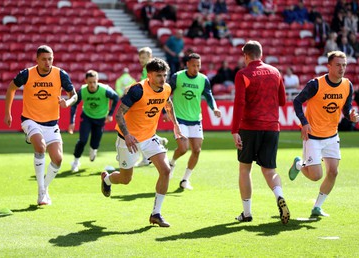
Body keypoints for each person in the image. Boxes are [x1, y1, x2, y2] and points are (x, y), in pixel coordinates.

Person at [100, 58, 185, 227]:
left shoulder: (166, 88)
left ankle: (156, 214)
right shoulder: (137, 90)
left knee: (166, 170)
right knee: (125, 179)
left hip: (149, 137)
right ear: (149, 75)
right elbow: (119, 115)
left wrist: (175, 125)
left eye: (164, 75)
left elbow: (168, 104)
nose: (163, 79)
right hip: (128, 140)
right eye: (159, 75)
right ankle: (107, 179)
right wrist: (128, 134)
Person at [4, 45, 77, 205]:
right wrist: (8, 112)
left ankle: (43, 189)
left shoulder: (60, 74)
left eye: (50, 58)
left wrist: (67, 103)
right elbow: (11, 88)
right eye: (44, 59)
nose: (47, 62)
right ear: (37, 60)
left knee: (58, 159)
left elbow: (74, 95)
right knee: (40, 147)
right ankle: (41, 191)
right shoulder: (27, 74)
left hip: (51, 124)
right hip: (30, 120)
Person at [288, 51, 359, 217]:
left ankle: (317, 207)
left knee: (333, 172)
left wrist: (351, 114)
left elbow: (346, 107)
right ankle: (299, 164)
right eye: (338, 65)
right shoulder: (316, 84)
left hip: (332, 136)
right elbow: (297, 101)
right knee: (316, 176)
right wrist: (304, 123)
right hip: (313, 136)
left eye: (344, 65)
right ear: (329, 66)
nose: (342, 68)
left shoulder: (347, 85)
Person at [231, 40, 290, 224]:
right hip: (272, 127)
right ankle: (279, 195)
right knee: (270, 170)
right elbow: (282, 100)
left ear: (246, 56)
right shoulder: (275, 72)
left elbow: (239, 103)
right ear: (261, 54)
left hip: (249, 127)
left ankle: (247, 213)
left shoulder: (243, 74)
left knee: (245, 168)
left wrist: (234, 130)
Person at [168, 53, 221, 190]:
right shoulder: (177, 77)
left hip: (196, 120)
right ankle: (172, 163)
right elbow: (166, 94)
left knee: (196, 150)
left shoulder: (203, 79)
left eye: (198, 65)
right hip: (179, 118)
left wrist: (214, 108)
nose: (196, 68)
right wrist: (165, 111)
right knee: (183, 148)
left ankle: (185, 179)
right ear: (187, 64)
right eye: (193, 65)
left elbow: (209, 96)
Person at [69, 70, 119, 172]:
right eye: (90, 82)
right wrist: (72, 121)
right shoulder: (82, 91)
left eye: (94, 82)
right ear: (86, 81)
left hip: (100, 118)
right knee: (82, 140)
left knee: (95, 142)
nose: (92, 85)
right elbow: (74, 104)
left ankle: (93, 150)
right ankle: (75, 162)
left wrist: (110, 114)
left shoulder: (104, 90)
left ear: (97, 80)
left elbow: (116, 97)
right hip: (87, 117)